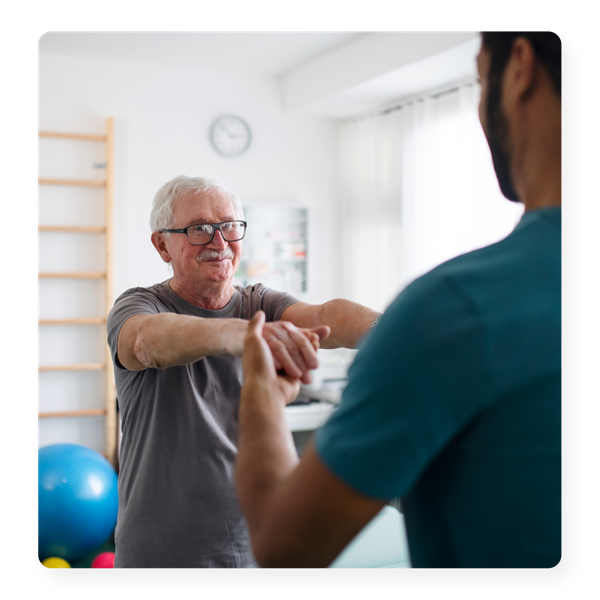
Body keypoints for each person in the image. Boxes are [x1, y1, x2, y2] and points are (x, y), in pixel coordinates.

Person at [235, 29, 563, 569]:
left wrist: (260, 393)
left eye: (481, 79)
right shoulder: (142, 303)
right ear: (162, 245)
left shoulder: (453, 309)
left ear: (520, 65)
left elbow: (283, 545)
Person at [106, 174, 381, 568]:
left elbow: (325, 315)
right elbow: (144, 342)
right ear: (162, 244)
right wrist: (242, 335)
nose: (219, 243)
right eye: (199, 229)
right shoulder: (139, 306)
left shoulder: (260, 302)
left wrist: (394, 333)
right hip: (159, 556)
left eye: (229, 226)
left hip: (254, 549)